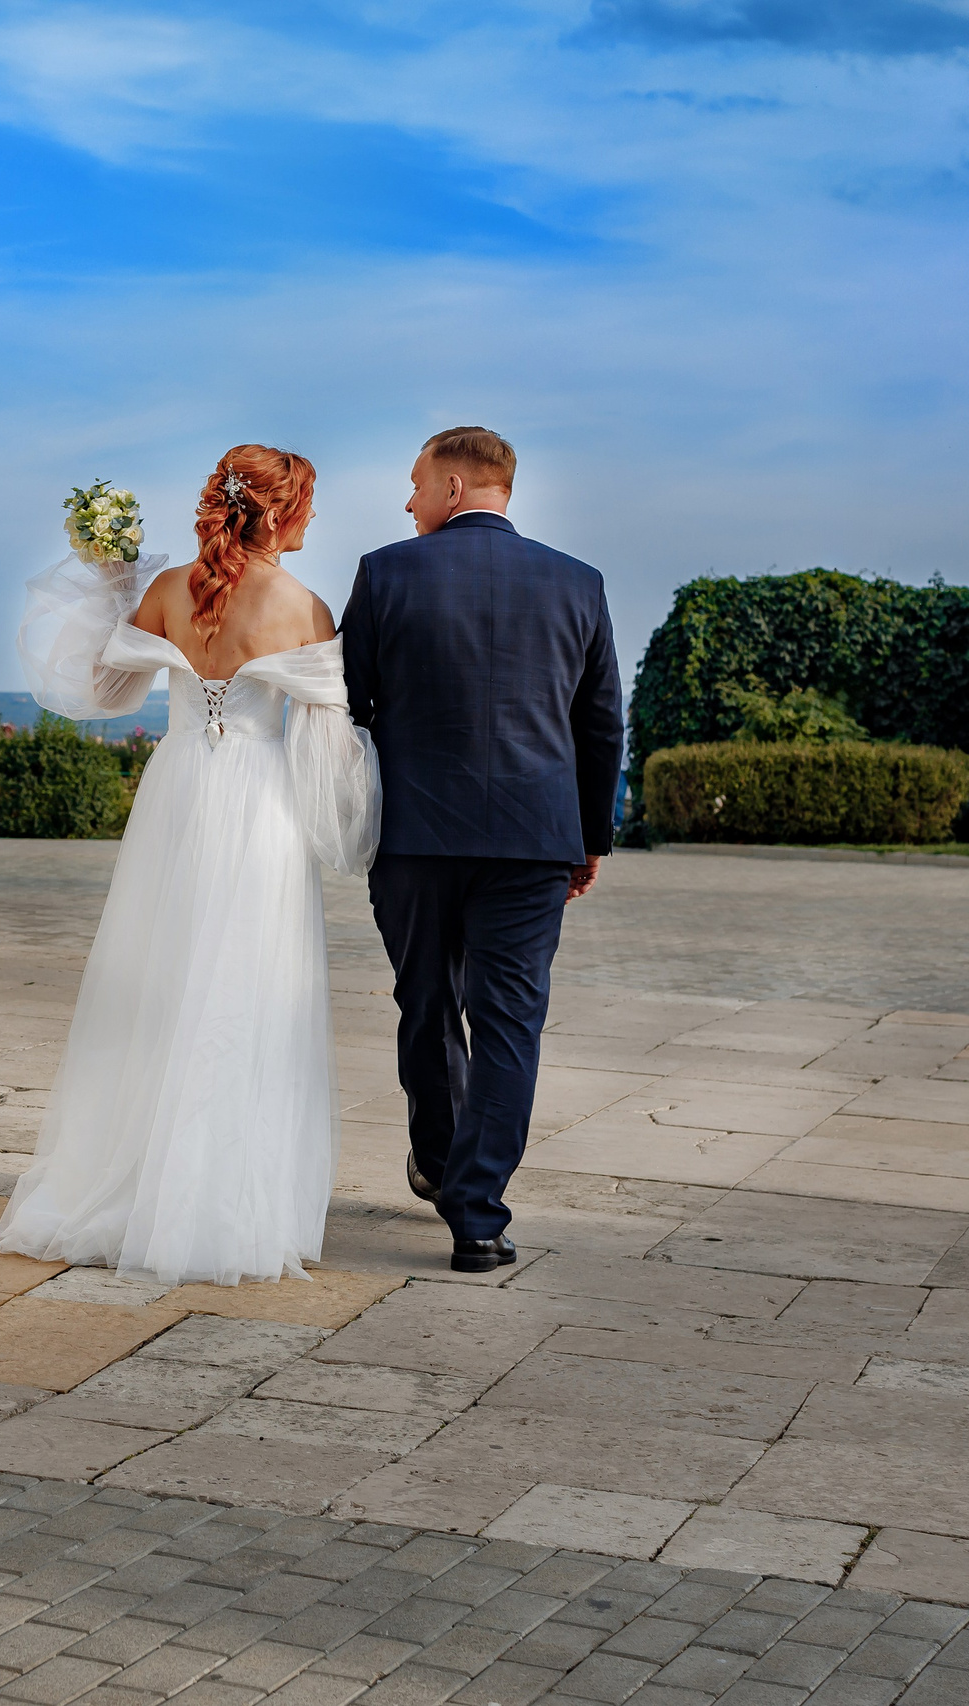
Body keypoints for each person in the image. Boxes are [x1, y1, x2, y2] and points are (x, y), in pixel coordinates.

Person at [0, 446, 380, 1286]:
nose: (313, 519)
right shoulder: (304, 607)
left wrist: (107, 586)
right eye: (308, 504)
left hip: (176, 792)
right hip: (258, 806)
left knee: (161, 979)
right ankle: (218, 1203)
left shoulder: (170, 590)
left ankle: (132, 1184)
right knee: (246, 991)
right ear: (279, 512)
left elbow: (101, 691)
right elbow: (329, 766)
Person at [340, 427, 622, 1273]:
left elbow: (348, 706)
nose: (408, 500)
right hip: (535, 840)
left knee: (425, 1003)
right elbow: (601, 722)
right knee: (510, 1023)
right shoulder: (580, 582)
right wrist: (589, 836)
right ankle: (479, 1217)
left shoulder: (385, 571)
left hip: (416, 838)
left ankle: (435, 1156)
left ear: (455, 486)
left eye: (416, 483)